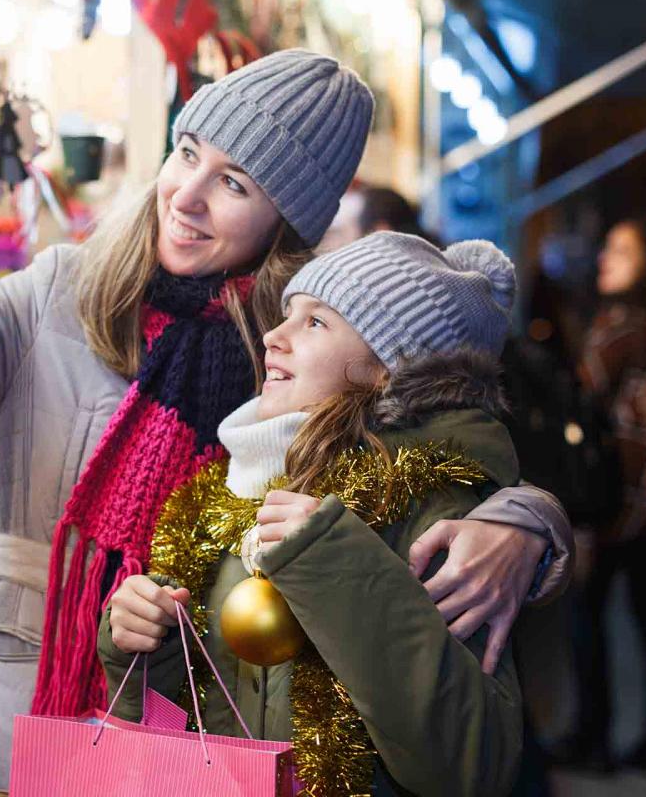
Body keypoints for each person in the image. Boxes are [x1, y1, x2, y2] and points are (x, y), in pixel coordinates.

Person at [0, 50, 571, 788]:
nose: (187, 196)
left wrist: (527, 517)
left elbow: (428, 452)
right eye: (187, 153)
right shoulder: (59, 297)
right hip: (31, 700)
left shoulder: (300, 352)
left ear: (287, 219)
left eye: (236, 184)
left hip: (209, 730)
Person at [100, 233, 529, 795]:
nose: (272, 337)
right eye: (286, 317)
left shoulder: (438, 511)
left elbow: (472, 767)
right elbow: (170, 741)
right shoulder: (229, 495)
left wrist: (339, 565)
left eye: (316, 323)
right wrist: (142, 649)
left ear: (389, 368)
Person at [555, 216, 646, 774]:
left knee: (590, 620)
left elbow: (582, 388)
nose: (605, 257)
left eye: (622, 250)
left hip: (620, 502)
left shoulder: (624, 324)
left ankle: (593, 737)